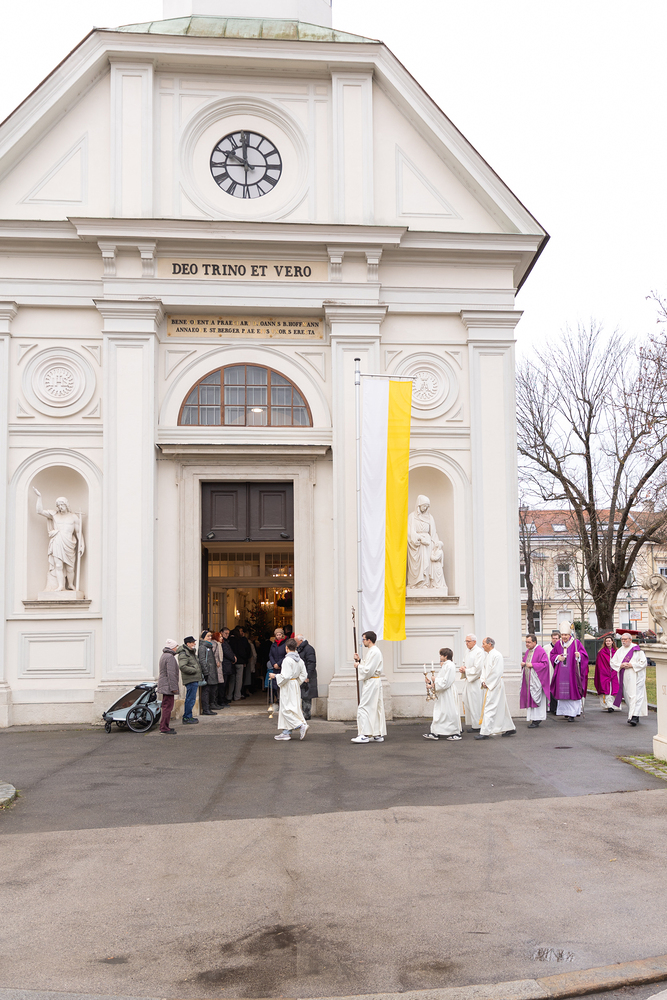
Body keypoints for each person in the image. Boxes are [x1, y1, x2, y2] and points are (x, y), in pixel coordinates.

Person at [268, 637, 308, 740]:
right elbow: (304, 674)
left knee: (286, 709)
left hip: (288, 685)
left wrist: (275, 676)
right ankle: (286, 732)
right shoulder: (300, 660)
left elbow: (285, 676)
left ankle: (300, 725)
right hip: (294, 684)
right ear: (295, 647)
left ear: (286, 648)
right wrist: (296, 682)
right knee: (293, 708)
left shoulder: (287, 660)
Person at [475, 637, 515, 739]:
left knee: (490, 707)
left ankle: (485, 732)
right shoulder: (488, 655)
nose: (482, 646)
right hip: (490, 684)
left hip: (495, 684)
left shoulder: (497, 655)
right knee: (501, 706)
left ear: (489, 644)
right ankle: (509, 727)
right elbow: (484, 670)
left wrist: (487, 683)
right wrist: (483, 681)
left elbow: (497, 672)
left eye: (483, 643)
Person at [351, 630, 387, 744]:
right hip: (373, 682)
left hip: (372, 682)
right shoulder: (373, 651)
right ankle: (376, 733)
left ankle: (364, 734)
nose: (363, 642)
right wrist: (360, 661)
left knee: (364, 707)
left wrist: (358, 666)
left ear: (369, 640)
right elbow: (368, 665)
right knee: (374, 707)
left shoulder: (375, 651)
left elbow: (368, 670)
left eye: (364, 639)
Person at [550, 622, 589, 722]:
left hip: (572, 673)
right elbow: (552, 654)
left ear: (570, 635)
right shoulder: (558, 644)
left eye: (566, 635)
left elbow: (585, 656)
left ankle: (572, 713)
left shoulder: (576, 643)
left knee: (572, 692)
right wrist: (557, 658)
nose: (564, 637)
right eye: (562, 635)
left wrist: (579, 656)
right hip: (561, 673)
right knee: (563, 693)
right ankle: (565, 712)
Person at [423, 648, 462, 741]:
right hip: (443, 692)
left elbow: (446, 681)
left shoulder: (450, 666)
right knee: (440, 712)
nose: (440, 657)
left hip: (448, 692)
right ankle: (436, 732)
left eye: (441, 655)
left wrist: (435, 680)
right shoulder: (446, 666)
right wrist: (431, 683)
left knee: (450, 712)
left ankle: (455, 732)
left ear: (446, 656)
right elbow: (442, 680)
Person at [611, 632, 648, 726]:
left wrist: (632, 665)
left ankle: (633, 716)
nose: (623, 641)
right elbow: (613, 662)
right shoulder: (619, 651)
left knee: (637, 696)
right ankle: (634, 715)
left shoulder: (637, 650)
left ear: (630, 640)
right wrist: (621, 665)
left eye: (625, 639)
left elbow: (643, 662)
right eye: (622, 639)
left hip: (636, 676)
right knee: (628, 696)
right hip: (625, 677)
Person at [520, 634, 550, 728]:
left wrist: (533, 665)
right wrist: (523, 664)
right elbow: (527, 663)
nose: (527, 644)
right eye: (526, 642)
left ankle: (537, 718)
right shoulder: (528, 651)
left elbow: (545, 664)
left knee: (536, 699)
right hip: (529, 681)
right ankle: (532, 718)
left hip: (537, 681)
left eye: (529, 642)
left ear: (534, 642)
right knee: (530, 699)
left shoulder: (540, 650)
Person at [459, 633, 484, 732]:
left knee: (476, 703)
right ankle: (473, 723)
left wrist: (466, 671)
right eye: (466, 641)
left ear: (474, 642)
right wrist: (463, 668)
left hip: (475, 681)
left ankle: (478, 725)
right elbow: (464, 663)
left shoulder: (479, 652)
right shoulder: (467, 651)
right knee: (467, 702)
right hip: (468, 681)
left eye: (468, 641)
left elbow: (478, 668)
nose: (467, 643)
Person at [177, 636, 201, 725]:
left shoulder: (190, 652)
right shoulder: (184, 653)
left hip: (193, 679)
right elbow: (182, 666)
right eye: (193, 642)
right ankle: (187, 717)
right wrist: (194, 670)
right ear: (188, 644)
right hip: (190, 679)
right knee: (190, 699)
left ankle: (188, 716)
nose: (194, 644)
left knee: (191, 699)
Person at [157, 639, 180, 734]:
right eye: (176, 647)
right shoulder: (170, 657)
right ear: (172, 647)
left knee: (166, 706)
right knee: (168, 707)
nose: (176, 648)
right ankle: (164, 728)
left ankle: (164, 726)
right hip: (168, 686)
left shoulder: (164, 655)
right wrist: (174, 688)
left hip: (165, 684)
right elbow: (171, 674)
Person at [594, 635, 620, 712]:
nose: (608, 642)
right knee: (606, 689)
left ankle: (615, 705)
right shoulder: (601, 652)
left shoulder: (617, 651)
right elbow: (599, 664)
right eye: (606, 641)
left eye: (609, 641)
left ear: (612, 642)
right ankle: (609, 705)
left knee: (614, 688)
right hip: (604, 672)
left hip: (614, 672)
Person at [296, 633, 318, 720]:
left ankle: (306, 714)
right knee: (303, 694)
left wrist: (307, 676)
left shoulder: (308, 649)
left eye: (296, 641)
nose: (295, 643)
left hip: (307, 675)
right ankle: (303, 713)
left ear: (301, 641)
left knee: (306, 695)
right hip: (302, 674)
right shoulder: (301, 649)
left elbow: (311, 663)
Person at [197, 630, 218, 715]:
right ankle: (206, 709)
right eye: (208, 636)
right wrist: (206, 672)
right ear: (203, 637)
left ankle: (209, 707)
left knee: (211, 690)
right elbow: (202, 660)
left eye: (210, 636)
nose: (210, 638)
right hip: (208, 673)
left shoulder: (209, 646)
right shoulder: (203, 647)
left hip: (211, 672)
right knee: (206, 691)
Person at [230, 626, 252, 701]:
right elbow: (243, 651)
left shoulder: (229, 640)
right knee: (239, 680)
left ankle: (229, 696)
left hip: (232, 662)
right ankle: (237, 696)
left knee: (232, 680)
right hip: (240, 662)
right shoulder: (240, 640)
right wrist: (245, 660)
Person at [267, 628, 288, 703]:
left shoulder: (285, 644)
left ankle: (282, 699)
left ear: (282, 635)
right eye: (277, 635)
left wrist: (278, 664)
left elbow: (286, 655)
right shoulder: (273, 644)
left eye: (280, 634)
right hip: (275, 667)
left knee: (282, 683)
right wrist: (274, 664)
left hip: (282, 667)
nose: (278, 636)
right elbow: (270, 655)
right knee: (275, 684)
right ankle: (277, 697)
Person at [220, 627, 236, 704]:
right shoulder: (222, 642)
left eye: (228, 634)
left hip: (227, 665)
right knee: (223, 684)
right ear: (221, 633)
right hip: (225, 665)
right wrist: (233, 658)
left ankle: (223, 698)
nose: (227, 635)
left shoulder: (226, 641)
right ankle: (221, 700)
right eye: (225, 633)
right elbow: (226, 652)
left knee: (226, 683)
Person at [548, 629, 561, 714]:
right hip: (550, 671)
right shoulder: (546, 648)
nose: (555, 640)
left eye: (556, 638)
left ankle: (559, 708)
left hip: (559, 672)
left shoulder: (562, 647)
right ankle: (552, 708)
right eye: (553, 638)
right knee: (551, 689)